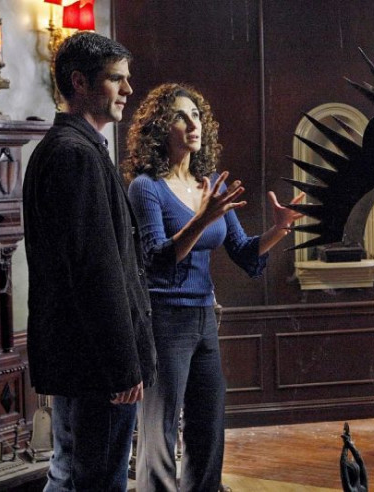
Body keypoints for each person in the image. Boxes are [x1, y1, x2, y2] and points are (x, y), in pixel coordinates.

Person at [122, 83, 304, 492]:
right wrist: (202, 219)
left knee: (208, 425)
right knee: (159, 429)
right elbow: (157, 258)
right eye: (180, 116)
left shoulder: (211, 186)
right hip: (164, 318)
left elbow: (243, 252)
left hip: (205, 317)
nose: (193, 124)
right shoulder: (146, 187)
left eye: (196, 115)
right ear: (159, 127)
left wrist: (279, 228)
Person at [23, 31, 156, 491]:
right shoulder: (74, 155)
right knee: (95, 481)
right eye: (116, 79)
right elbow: (94, 271)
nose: (128, 89)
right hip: (96, 365)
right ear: (79, 82)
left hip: (87, 359)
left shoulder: (73, 149)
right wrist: (122, 365)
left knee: (73, 476)